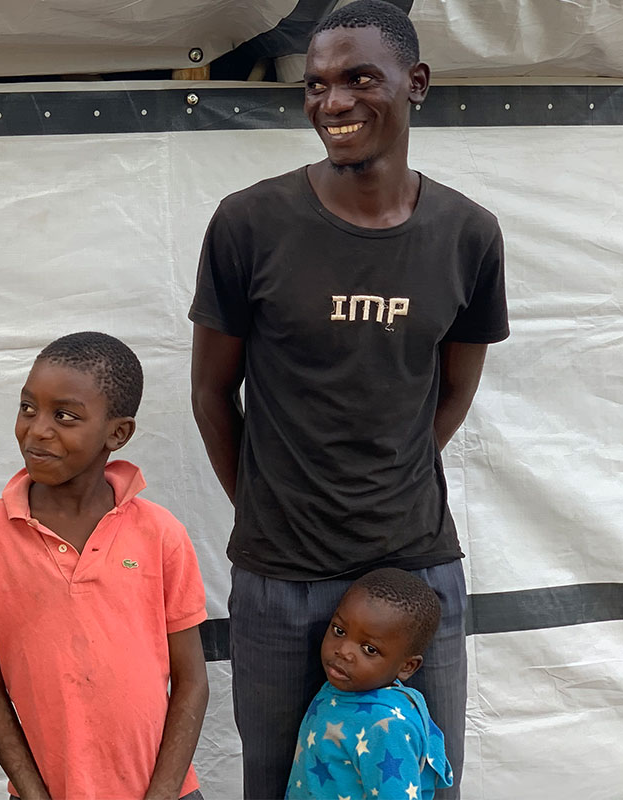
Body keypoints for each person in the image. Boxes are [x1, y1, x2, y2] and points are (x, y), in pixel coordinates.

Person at [188, 1, 508, 797]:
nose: (334, 103)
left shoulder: (470, 235)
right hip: (280, 578)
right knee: (277, 782)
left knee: (424, 781)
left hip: (415, 574)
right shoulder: (248, 224)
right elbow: (209, 392)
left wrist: (387, 482)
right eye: (317, 84)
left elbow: (455, 387)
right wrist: (266, 505)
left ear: (416, 84)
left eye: (360, 79)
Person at [0, 332, 209, 800]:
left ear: (118, 433)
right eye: (28, 408)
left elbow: (191, 680)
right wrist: (31, 791)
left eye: (64, 416)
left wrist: (165, 791)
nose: (38, 430)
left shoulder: (160, 533)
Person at [286, 568, 452, 799]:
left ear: (407, 667)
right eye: (339, 630)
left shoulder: (387, 727)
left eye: (369, 649)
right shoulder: (339, 687)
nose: (343, 651)